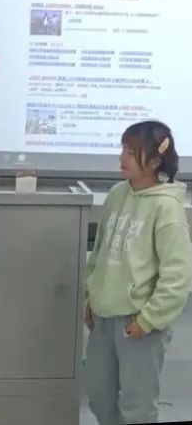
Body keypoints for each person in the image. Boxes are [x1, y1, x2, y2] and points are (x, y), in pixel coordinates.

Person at [84, 120, 192, 425]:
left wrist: (149, 320)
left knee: (137, 406)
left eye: (131, 152)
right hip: (103, 317)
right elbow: (100, 251)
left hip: (139, 322)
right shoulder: (118, 194)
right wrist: (90, 295)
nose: (122, 157)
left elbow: (178, 275)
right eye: (123, 149)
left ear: (155, 161)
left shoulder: (167, 207)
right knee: (99, 396)